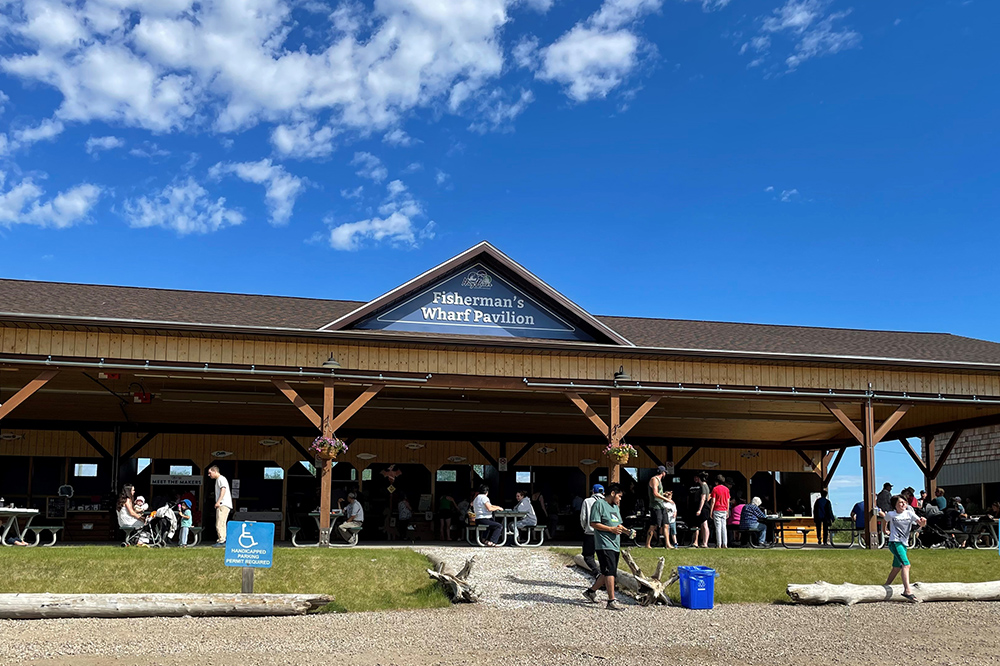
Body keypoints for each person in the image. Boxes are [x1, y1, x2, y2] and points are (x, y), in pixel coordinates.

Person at [583, 483, 629, 611]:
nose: (620, 499)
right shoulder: (599, 504)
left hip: (615, 544)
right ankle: (611, 601)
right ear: (613, 493)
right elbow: (593, 523)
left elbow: (618, 525)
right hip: (604, 543)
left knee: (607, 571)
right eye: (619, 496)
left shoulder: (615, 507)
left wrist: (627, 531)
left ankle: (591, 592)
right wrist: (610, 529)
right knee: (610, 572)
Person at [884, 495, 926, 602]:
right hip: (895, 542)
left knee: (897, 567)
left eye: (904, 502)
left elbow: (920, 523)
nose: (903, 504)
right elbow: (885, 520)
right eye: (900, 503)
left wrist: (923, 522)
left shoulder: (909, 513)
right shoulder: (891, 514)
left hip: (904, 543)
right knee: (906, 564)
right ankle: (907, 590)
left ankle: (885, 586)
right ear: (895, 505)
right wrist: (885, 530)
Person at [579, 484, 604, 577]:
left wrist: (585, 527)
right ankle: (605, 575)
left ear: (593, 492)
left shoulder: (587, 501)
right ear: (603, 492)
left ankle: (596, 573)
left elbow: (583, 517)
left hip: (590, 532)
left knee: (588, 556)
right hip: (603, 532)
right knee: (602, 556)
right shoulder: (605, 501)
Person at [207, 465, 233, 547]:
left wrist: (218, 501)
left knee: (219, 523)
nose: (209, 475)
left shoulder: (221, 479)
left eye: (210, 473)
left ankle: (222, 540)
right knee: (222, 523)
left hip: (223, 504)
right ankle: (223, 539)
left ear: (215, 471)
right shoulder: (220, 479)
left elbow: (223, 489)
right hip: (225, 504)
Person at [645, 466, 670, 548]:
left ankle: (668, 544)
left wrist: (665, 494)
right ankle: (647, 544)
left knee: (666, 524)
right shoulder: (654, 480)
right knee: (654, 525)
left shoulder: (660, 481)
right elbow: (655, 493)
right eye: (665, 472)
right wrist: (667, 499)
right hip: (655, 506)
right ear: (663, 473)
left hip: (661, 506)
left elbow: (658, 493)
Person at [690, 472, 711, 548]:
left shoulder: (703, 486)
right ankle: (702, 542)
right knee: (702, 525)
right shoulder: (706, 486)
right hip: (704, 506)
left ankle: (705, 543)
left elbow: (703, 498)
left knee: (705, 524)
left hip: (703, 507)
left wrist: (699, 509)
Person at [708, 474, 730, 549]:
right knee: (724, 527)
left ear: (717, 481)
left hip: (717, 509)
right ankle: (725, 544)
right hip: (724, 509)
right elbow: (728, 500)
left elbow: (713, 501)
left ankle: (719, 544)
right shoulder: (726, 489)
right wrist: (727, 510)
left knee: (718, 527)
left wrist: (711, 511)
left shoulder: (715, 489)